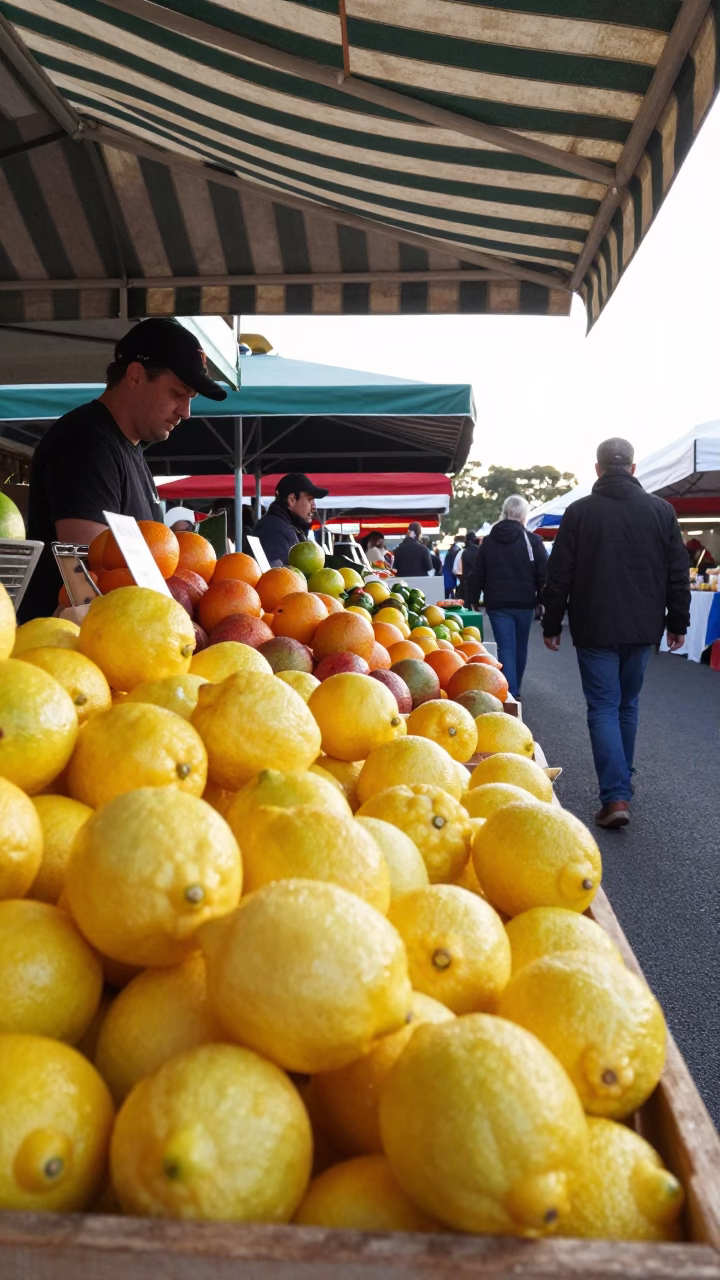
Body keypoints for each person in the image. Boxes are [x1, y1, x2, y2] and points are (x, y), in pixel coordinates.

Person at [20, 318, 226, 620]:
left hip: (122, 635)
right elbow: (93, 574)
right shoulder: (86, 443)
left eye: (190, 399)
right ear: (135, 375)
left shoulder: (129, 448)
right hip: (80, 646)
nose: (186, 412)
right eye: (177, 393)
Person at [542, 438, 690, 829]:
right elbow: (678, 571)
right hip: (643, 626)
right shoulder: (662, 511)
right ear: (634, 468)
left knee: (604, 706)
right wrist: (678, 621)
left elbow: (559, 575)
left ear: (597, 469)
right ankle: (620, 786)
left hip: (594, 625)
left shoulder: (579, 512)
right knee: (627, 704)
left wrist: (552, 623)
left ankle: (615, 795)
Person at [469, 495, 547, 699]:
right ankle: (515, 689)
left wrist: (473, 598)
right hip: (525, 603)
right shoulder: (533, 541)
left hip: (497, 603)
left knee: (505, 647)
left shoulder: (489, 541)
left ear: (504, 512)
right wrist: (544, 601)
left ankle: (509, 691)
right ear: (523, 515)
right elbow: (543, 574)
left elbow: (479, 572)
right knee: (521, 646)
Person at [251, 472, 328, 566]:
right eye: (310, 499)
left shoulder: (284, 526)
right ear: (292, 500)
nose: (314, 506)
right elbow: (279, 576)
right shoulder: (275, 531)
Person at [453, 531, 481, 607]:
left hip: (465, 584)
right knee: (475, 604)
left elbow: (456, 570)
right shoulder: (480, 551)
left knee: (466, 605)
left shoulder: (462, 552)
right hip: (478, 585)